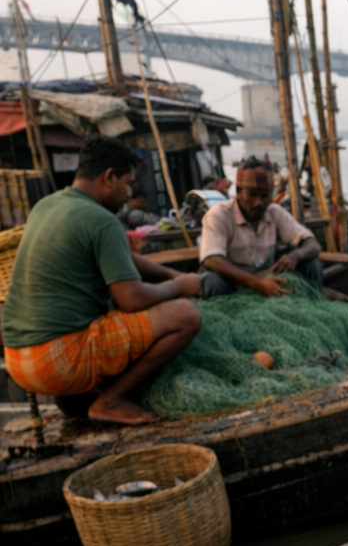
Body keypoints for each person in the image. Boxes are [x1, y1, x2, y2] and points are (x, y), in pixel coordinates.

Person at [2, 136, 201, 426]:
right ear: (109, 177)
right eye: (127, 183)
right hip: (57, 360)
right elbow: (131, 300)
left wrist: (172, 274)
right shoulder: (102, 220)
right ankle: (110, 401)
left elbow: (124, 259)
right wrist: (180, 287)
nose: (128, 192)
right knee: (186, 315)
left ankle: (80, 399)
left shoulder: (46, 206)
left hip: (18, 361)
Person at [197, 159, 323, 299]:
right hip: (231, 279)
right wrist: (256, 283)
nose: (259, 202)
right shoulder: (219, 214)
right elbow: (211, 259)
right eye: (252, 195)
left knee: (312, 264)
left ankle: (314, 303)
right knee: (211, 281)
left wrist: (295, 256)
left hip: (267, 274)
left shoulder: (274, 211)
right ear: (238, 191)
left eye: (265, 196)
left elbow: (313, 244)